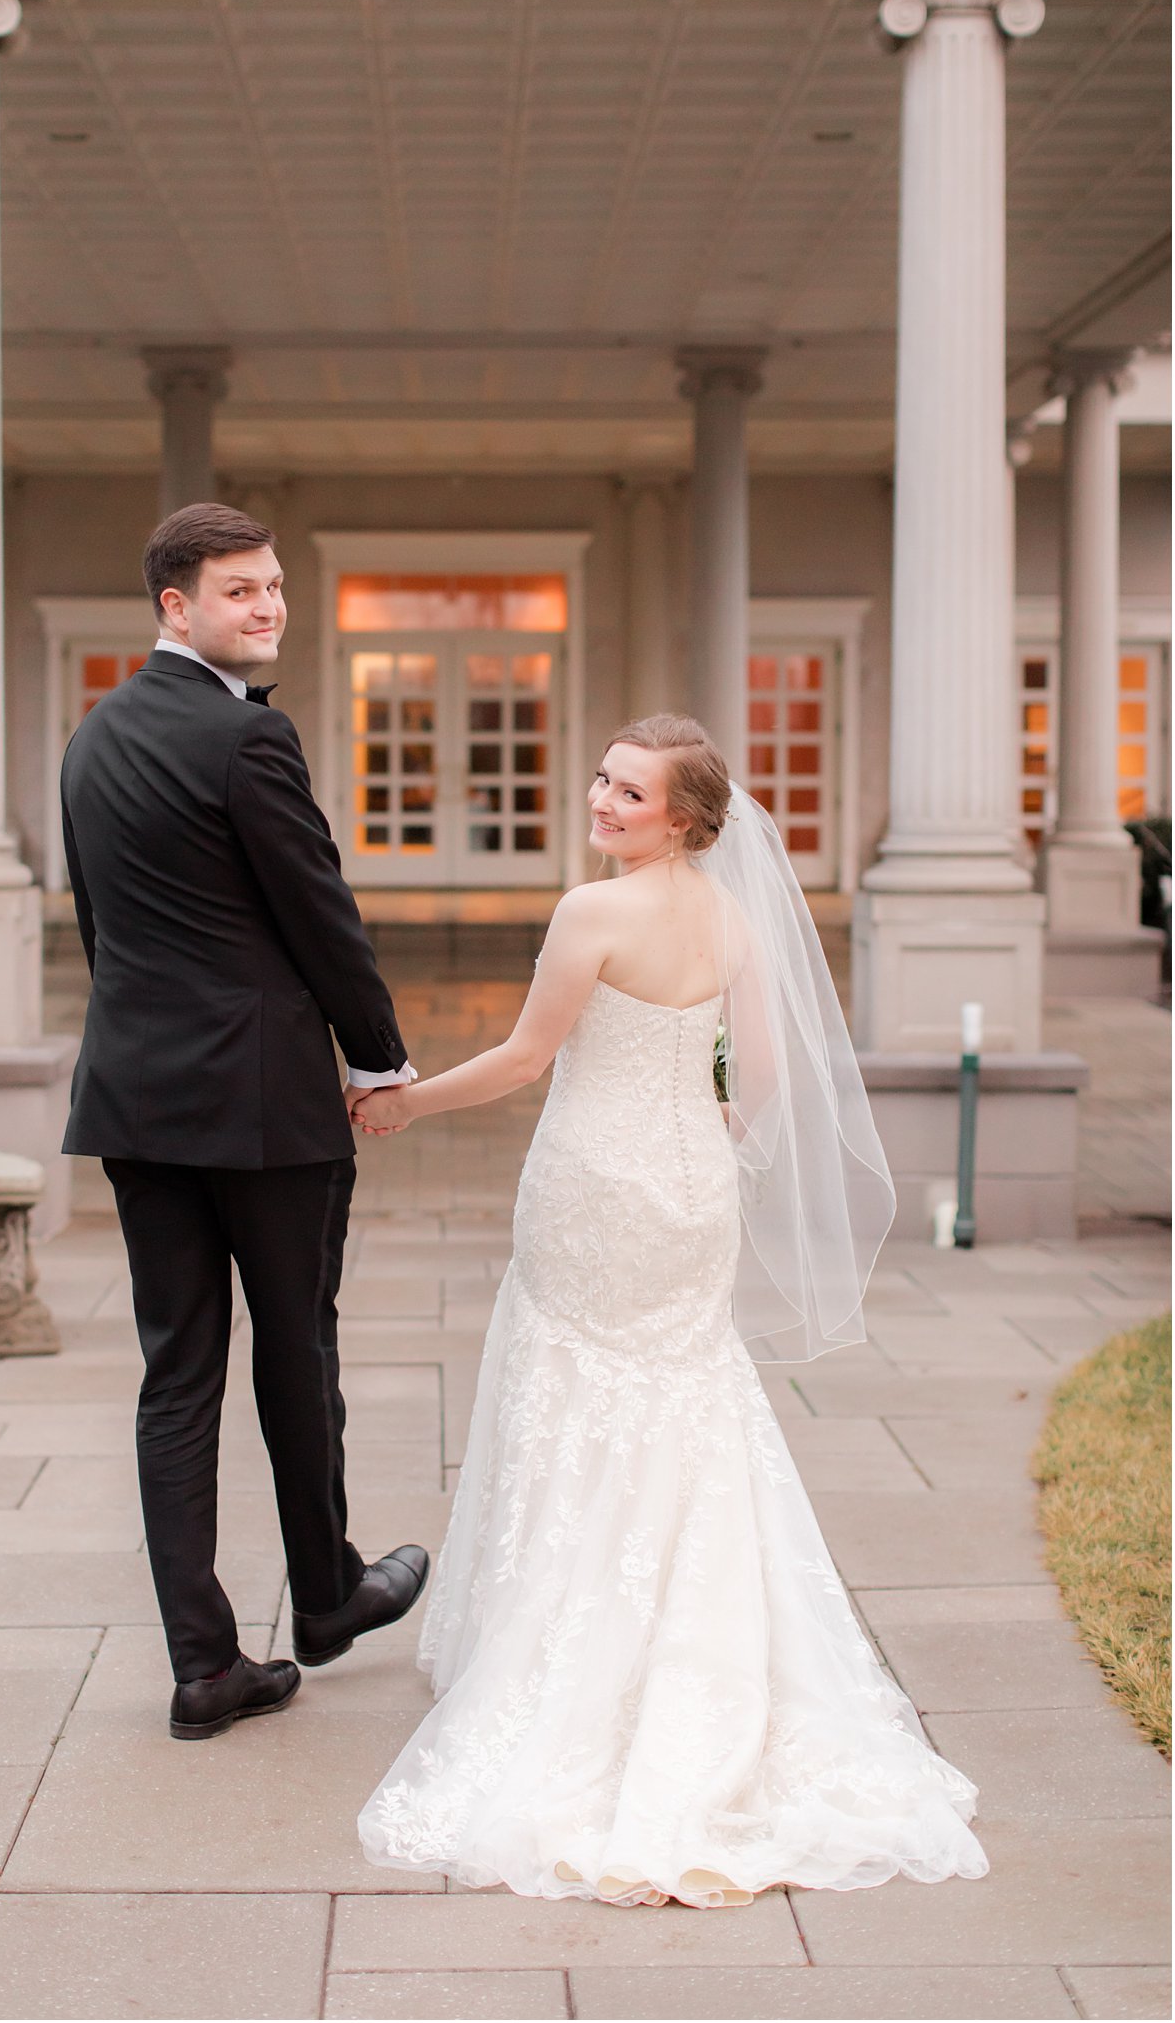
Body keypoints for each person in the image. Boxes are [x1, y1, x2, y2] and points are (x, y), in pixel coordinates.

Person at [353, 713, 988, 1907]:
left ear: (685, 818)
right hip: (692, 1192)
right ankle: (705, 1654)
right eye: (602, 779)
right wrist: (706, 1150)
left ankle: (572, 1652)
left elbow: (525, 1058)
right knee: (687, 1402)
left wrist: (403, 1104)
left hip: (593, 1187)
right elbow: (763, 1076)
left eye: (629, 793)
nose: (602, 800)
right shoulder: (733, 918)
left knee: (569, 1386)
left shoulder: (590, 914)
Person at [60, 502, 428, 1742]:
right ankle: (324, 1598)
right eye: (238, 592)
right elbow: (321, 916)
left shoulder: (91, 737)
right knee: (294, 1347)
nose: (267, 607)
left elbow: (101, 930)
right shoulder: (244, 742)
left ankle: (203, 1667)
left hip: (134, 1095)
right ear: (176, 606)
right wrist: (378, 1057)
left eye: (273, 587)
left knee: (175, 1374)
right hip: (264, 1103)